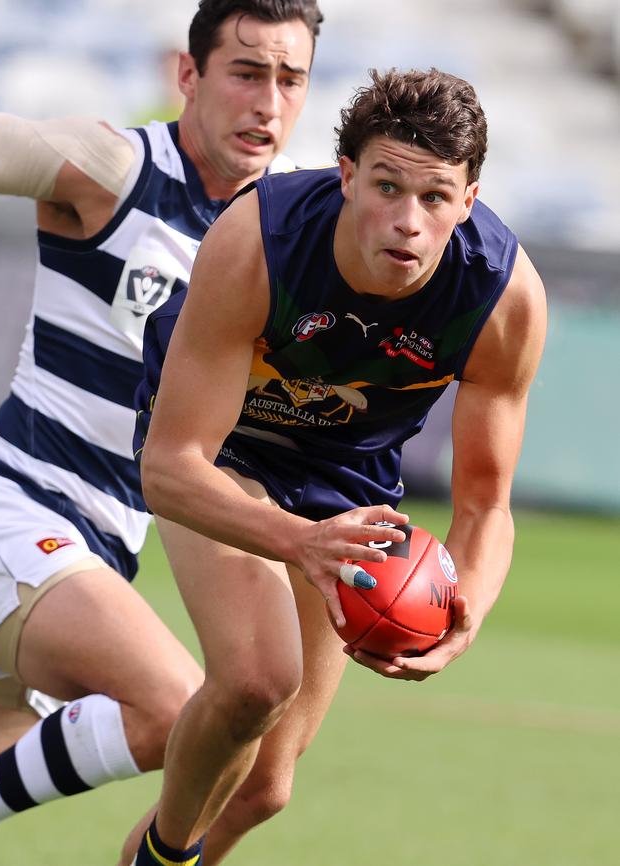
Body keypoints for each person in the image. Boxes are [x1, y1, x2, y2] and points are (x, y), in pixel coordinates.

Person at [130, 66, 547, 865]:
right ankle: (162, 857)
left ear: (469, 199)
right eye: (387, 186)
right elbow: (171, 468)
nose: (407, 222)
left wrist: (467, 613)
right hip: (226, 450)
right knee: (258, 678)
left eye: (434, 198)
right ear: (346, 175)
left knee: (265, 788)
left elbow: (486, 506)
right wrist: (296, 540)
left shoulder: (503, 298)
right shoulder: (259, 240)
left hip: (346, 478)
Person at [0, 0, 322, 859]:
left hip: (95, 558)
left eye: (290, 78)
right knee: (175, 708)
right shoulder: (117, 167)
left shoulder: (282, 243)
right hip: (11, 513)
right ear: (189, 76)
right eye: (245, 73)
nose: (268, 102)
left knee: (221, 766)